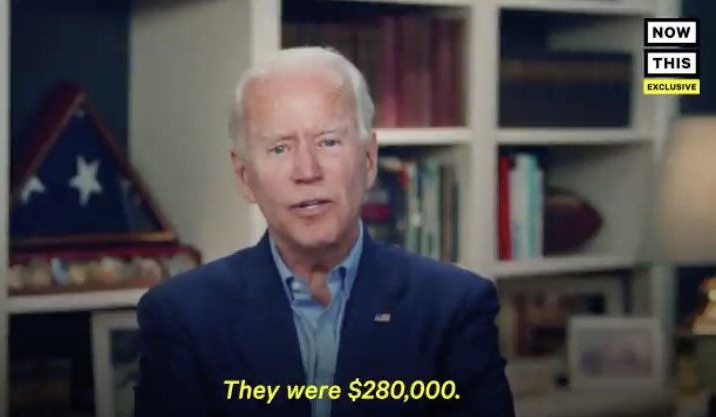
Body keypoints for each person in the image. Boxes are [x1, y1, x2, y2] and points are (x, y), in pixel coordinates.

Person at [134, 46, 515, 417]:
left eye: (328, 142)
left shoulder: (454, 308)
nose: (307, 170)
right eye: (280, 148)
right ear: (244, 176)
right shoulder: (182, 317)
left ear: (369, 159)